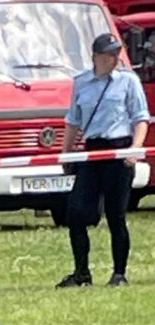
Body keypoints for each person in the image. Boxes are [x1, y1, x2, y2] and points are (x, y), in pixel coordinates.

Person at [57, 32, 149, 288]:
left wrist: (134, 149)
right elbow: (73, 120)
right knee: (75, 214)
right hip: (92, 150)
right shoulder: (81, 82)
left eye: (116, 53)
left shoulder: (128, 81)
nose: (114, 58)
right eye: (109, 53)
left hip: (118, 151)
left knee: (115, 215)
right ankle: (81, 273)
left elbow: (140, 117)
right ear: (96, 56)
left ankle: (119, 274)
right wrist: (66, 152)